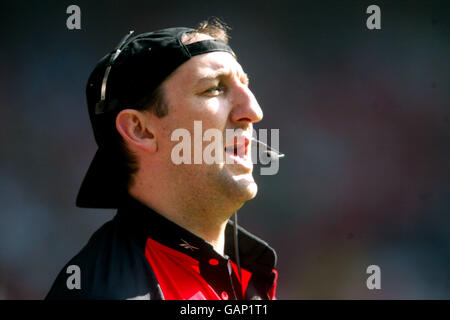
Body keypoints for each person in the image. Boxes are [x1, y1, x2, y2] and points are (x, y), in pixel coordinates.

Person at [46, 18, 278, 300]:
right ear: (140, 130)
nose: (253, 110)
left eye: (244, 84)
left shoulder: (251, 274)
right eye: (214, 89)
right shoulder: (101, 293)